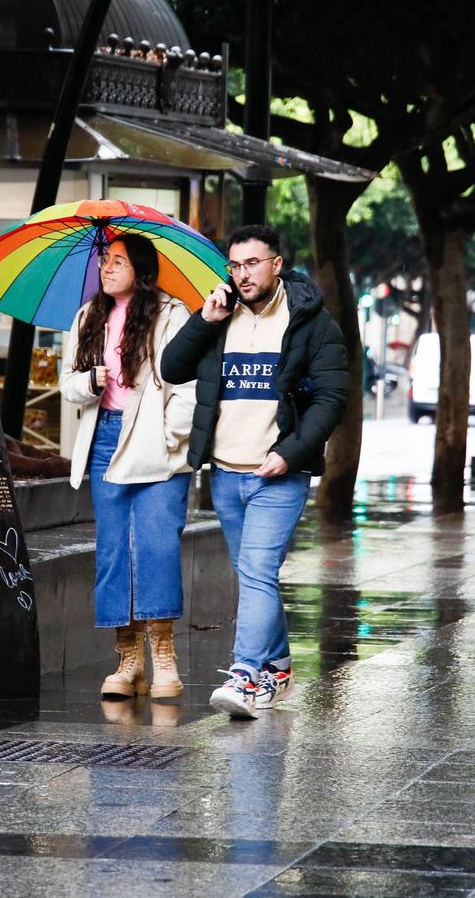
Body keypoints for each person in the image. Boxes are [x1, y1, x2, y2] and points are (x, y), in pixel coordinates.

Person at [161, 224, 348, 719]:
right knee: (253, 576)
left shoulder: (312, 322)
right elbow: (171, 368)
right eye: (235, 265)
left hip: (278, 474)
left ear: (277, 264)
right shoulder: (220, 317)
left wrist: (292, 451)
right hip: (225, 473)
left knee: (259, 571)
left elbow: (333, 397)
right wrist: (204, 319)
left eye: (252, 263)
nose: (242, 274)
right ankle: (279, 667)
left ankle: (245, 674)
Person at [61, 234, 196, 702]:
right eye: (105, 259)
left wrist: (166, 436)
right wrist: (89, 381)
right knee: (114, 553)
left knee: (157, 547)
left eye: (119, 261)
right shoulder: (87, 317)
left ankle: (164, 655)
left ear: (140, 268)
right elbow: (67, 386)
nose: (107, 267)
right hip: (104, 440)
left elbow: (189, 388)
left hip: (155, 443)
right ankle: (128, 660)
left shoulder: (170, 315)